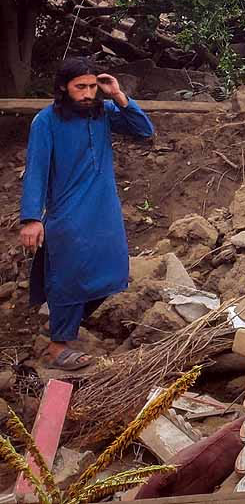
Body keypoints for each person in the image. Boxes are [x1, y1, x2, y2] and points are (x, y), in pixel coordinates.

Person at [18, 58, 155, 370]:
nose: (88, 93)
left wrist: (117, 94)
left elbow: (144, 130)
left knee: (114, 271)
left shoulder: (103, 112)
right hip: (68, 213)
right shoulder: (46, 121)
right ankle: (57, 347)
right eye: (81, 87)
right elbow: (36, 170)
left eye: (93, 87)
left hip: (104, 209)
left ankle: (62, 324)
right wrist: (31, 218)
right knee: (69, 276)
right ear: (63, 87)